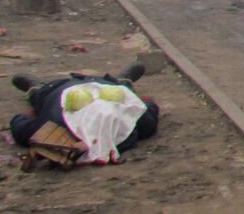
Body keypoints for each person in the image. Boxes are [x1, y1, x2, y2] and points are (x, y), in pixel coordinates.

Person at [9, 62, 158, 159]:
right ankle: (123, 82)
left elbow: (20, 127)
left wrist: (26, 117)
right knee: (123, 91)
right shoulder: (132, 125)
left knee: (42, 94)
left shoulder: (57, 122)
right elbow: (149, 108)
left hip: (68, 89)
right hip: (84, 88)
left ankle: (35, 88)